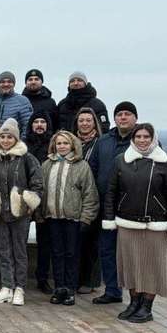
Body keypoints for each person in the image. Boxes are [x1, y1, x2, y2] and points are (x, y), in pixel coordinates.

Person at [103, 123, 167, 323]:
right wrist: (109, 218)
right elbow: (111, 192)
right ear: (132, 139)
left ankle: (146, 307)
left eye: (146, 136)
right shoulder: (121, 160)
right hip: (127, 223)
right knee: (130, 265)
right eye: (138, 136)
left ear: (153, 138)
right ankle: (134, 303)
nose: (142, 140)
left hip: (156, 225)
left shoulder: (165, 162)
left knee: (152, 267)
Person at [0, 118, 43, 306]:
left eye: (9, 137)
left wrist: (27, 201)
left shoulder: (27, 158)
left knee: (19, 251)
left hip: (20, 213)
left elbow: (37, 184)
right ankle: (7, 287)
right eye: (3, 137)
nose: (6, 140)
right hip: (0, 213)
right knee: (3, 251)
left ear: (16, 138)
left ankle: (20, 288)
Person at [39, 131, 99, 306]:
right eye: (59, 143)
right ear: (54, 145)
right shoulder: (47, 165)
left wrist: (86, 218)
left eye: (65, 143)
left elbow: (90, 194)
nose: (62, 146)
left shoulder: (82, 166)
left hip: (73, 219)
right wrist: (39, 214)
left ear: (72, 145)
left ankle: (70, 289)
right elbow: (40, 191)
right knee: (56, 253)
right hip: (52, 217)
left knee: (72, 254)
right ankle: (59, 288)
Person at [89, 101, 138, 304]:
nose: (123, 117)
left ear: (135, 118)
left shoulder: (142, 140)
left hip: (132, 207)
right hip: (106, 205)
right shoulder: (103, 141)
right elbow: (92, 169)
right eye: (119, 114)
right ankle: (112, 291)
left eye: (127, 114)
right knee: (107, 250)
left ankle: (136, 295)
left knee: (132, 253)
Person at [72, 107, 102, 293]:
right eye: (81, 120)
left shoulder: (100, 143)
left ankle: (90, 281)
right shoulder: (71, 142)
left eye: (88, 120)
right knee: (77, 242)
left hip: (93, 196)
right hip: (74, 198)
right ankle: (75, 279)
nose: (84, 123)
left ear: (94, 123)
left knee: (91, 242)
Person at [25, 111, 54, 294]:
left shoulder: (53, 145)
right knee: (20, 239)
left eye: (43, 122)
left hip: (46, 198)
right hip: (26, 197)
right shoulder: (24, 145)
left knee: (45, 242)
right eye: (36, 122)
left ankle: (42, 278)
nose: (39, 125)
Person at [0, 72, 33, 138]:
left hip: (13, 141)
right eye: (2, 82)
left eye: (9, 82)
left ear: (14, 84)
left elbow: (27, 125)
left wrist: (22, 141)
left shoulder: (23, 101)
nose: (6, 84)